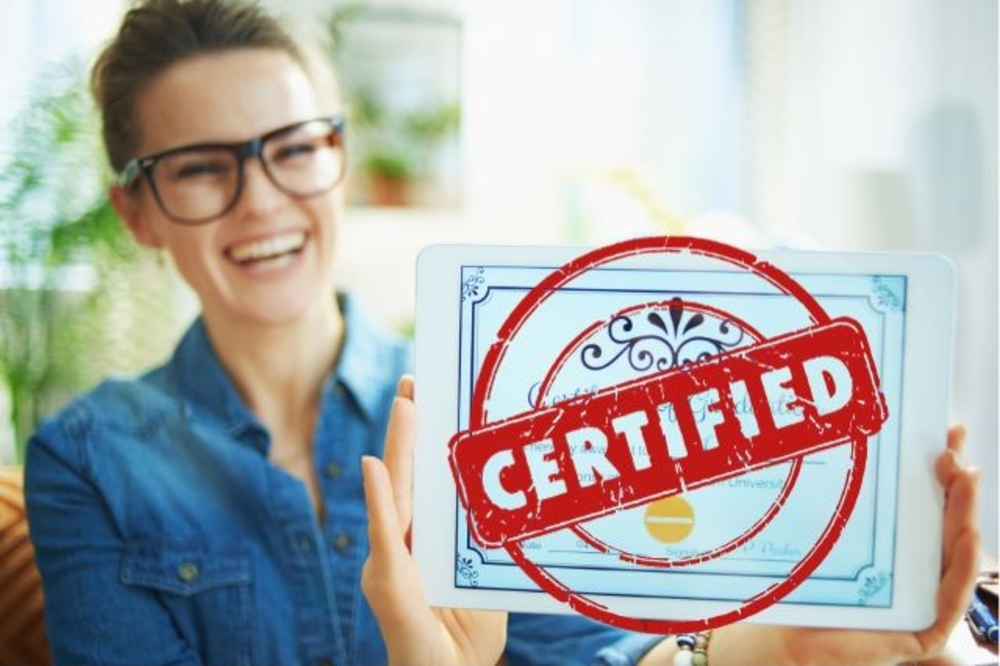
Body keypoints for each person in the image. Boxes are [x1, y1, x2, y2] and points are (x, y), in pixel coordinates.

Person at [23, 1, 982, 665]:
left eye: (294, 148)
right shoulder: (90, 460)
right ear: (137, 211)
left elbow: (610, 654)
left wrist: (806, 647)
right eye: (200, 167)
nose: (263, 198)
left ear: (340, 160)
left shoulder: (494, 399)